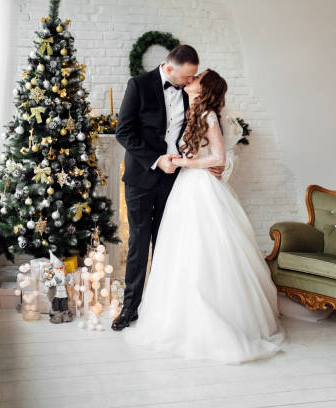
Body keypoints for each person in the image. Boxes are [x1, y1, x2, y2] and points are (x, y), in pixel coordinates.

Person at [122, 69, 286, 364]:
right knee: (180, 249)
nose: (190, 79)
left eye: (197, 77)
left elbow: (219, 158)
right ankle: (173, 311)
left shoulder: (208, 114)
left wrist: (184, 161)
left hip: (199, 187)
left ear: (203, 87)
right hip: (185, 185)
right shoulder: (192, 109)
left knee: (203, 248)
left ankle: (212, 315)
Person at [113, 45, 225, 331]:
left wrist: (209, 163)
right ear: (169, 67)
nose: (189, 82)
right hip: (142, 176)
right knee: (138, 242)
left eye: (193, 78)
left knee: (167, 243)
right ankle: (130, 309)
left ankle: (161, 308)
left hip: (176, 180)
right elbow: (123, 132)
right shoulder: (138, 85)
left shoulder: (192, 93)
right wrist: (156, 160)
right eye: (185, 77)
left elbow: (206, 132)